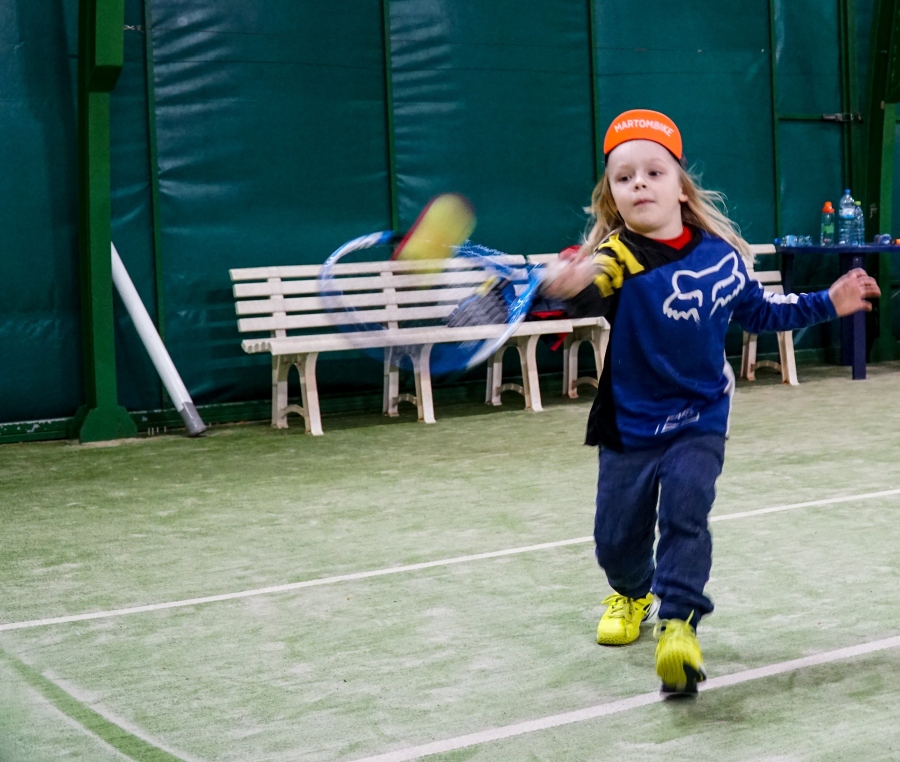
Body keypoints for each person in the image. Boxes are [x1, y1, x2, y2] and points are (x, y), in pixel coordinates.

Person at [543, 108, 881, 695]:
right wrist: (565, 286)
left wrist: (829, 299)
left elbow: (761, 314)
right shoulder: (615, 258)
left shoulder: (723, 256)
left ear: (681, 185)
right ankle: (632, 592)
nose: (640, 184)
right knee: (615, 542)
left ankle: (679, 625)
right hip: (628, 424)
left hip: (700, 416)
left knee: (686, 511)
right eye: (624, 178)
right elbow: (583, 291)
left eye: (653, 171)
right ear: (613, 197)